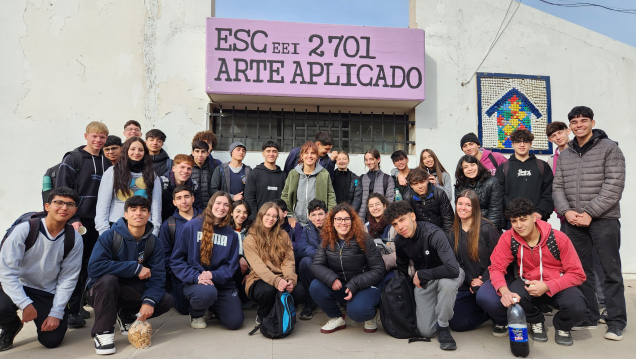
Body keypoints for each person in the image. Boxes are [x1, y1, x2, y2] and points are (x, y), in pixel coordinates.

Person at [553, 106, 626, 340]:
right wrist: (567, 212)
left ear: (592, 123)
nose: (579, 125)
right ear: (570, 126)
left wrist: (590, 213)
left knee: (609, 271)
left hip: (604, 220)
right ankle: (589, 315)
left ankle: (615, 322)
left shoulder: (610, 148)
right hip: (573, 221)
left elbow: (614, 186)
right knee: (580, 271)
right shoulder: (566, 154)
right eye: (574, 121)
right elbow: (558, 187)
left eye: (584, 120)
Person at [476, 198, 588, 346]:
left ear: (534, 217)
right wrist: (504, 292)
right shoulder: (508, 237)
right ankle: (536, 321)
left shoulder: (559, 238)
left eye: (523, 219)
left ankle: (562, 326)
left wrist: (548, 285)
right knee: (515, 296)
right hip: (527, 283)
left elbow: (577, 274)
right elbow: (496, 267)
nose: (519, 225)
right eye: (514, 221)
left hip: (556, 283)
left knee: (578, 306)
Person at [87, 196, 173, 355]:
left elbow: (158, 277)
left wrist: (149, 301)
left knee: (165, 300)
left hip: (129, 290)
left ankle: (127, 317)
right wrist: (134, 268)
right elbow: (94, 268)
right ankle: (103, 332)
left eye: (143, 210)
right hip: (101, 292)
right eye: (133, 209)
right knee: (109, 280)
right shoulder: (109, 236)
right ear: (125, 214)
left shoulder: (154, 243)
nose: (138, 213)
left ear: (149, 215)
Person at [0, 187, 83, 351]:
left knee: (51, 340)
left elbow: (68, 278)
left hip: (45, 290)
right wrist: (25, 304)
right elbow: (6, 272)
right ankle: (11, 327)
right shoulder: (25, 229)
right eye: (58, 202)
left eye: (69, 204)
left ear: (75, 210)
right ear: (47, 206)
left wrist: (56, 313)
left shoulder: (74, 239)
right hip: (19, 283)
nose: (64, 208)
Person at [548, 121, 607, 323]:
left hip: (593, 215)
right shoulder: (551, 160)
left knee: (598, 260)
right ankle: (585, 304)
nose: (558, 137)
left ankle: (604, 301)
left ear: (567, 132)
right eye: (553, 135)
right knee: (575, 262)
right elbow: (556, 188)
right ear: (550, 139)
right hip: (566, 217)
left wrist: (589, 211)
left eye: (560, 132)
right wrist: (563, 211)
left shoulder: (582, 152)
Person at [56, 121, 112, 328]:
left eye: (102, 137)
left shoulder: (108, 163)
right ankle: (70, 310)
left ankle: (82, 305)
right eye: (94, 136)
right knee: (74, 266)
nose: (98, 140)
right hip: (78, 222)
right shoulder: (73, 159)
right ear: (86, 136)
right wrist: (72, 218)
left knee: (92, 265)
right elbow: (63, 190)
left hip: (99, 223)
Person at [384, 201, 462, 351]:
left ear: (412, 216)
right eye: (395, 224)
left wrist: (421, 273)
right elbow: (401, 267)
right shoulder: (400, 239)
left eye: (402, 219)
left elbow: (453, 269)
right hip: (425, 281)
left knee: (448, 285)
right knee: (426, 331)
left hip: (447, 273)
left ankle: (444, 327)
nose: (400, 227)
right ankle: (440, 311)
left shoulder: (433, 233)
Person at [309, 203, 387, 334]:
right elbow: (316, 265)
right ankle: (337, 317)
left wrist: (355, 284)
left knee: (358, 312)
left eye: (346, 219)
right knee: (315, 286)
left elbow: (379, 269)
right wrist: (331, 279)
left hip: (363, 285)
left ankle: (371, 315)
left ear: (352, 220)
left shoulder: (364, 238)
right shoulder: (327, 239)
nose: (342, 223)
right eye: (338, 219)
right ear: (332, 221)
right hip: (342, 285)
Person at [171, 192, 243, 330]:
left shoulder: (231, 235)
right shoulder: (191, 226)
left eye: (226, 205)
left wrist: (213, 275)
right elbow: (177, 260)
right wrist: (196, 276)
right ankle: (197, 313)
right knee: (207, 293)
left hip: (221, 283)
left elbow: (231, 265)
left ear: (230, 209)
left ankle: (211, 306)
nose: (221, 207)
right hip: (195, 282)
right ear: (211, 205)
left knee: (235, 322)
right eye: (218, 203)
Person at [243, 202, 307, 325]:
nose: (271, 219)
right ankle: (262, 314)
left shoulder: (283, 235)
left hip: (281, 276)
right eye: (268, 215)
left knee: (299, 291)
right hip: (259, 278)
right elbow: (259, 267)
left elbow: (288, 261)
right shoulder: (250, 239)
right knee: (268, 290)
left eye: (274, 216)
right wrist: (277, 281)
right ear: (261, 215)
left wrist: (289, 279)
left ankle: (280, 311)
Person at [447, 189, 499, 333]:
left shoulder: (487, 229)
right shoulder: (453, 234)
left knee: (486, 297)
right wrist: (471, 280)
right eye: (460, 203)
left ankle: (499, 315)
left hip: (490, 280)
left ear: (475, 207)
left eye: (468, 205)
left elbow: (498, 260)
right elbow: (457, 263)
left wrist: (482, 280)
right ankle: (486, 313)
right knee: (457, 323)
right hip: (468, 283)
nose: (463, 208)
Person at [96, 137, 162, 236]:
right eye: (132, 149)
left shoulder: (152, 175)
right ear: (126, 150)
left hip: (143, 228)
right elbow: (103, 205)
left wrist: (154, 232)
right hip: (116, 227)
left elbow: (156, 207)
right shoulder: (112, 172)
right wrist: (104, 233)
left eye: (141, 150)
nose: (137, 152)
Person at [495, 129, 553, 230]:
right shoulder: (503, 168)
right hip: (512, 221)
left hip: (537, 219)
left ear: (530, 144)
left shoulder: (542, 166)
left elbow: (549, 192)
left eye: (525, 141)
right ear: (512, 144)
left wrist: (540, 211)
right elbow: (499, 194)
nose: (522, 145)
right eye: (518, 141)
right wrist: (515, 213)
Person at [158, 185, 201, 315]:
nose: (184, 201)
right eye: (179, 198)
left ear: (193, 198)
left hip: (204, 271)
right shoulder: (169, 225)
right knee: (184, 309)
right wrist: (177, 273)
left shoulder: (206, 219)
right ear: (174, 202)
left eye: (187, 197)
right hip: (181, 276)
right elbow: (165, 255)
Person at [282, 141, 336, 227]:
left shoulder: (324, 174)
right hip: (297, 223)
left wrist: (329, 214)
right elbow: (285, 195)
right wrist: (289, 215)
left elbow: (330, 196)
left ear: (317, 156)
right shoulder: (293, 174)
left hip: (318, 223)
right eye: (306, 153)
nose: (309, 156)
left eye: (313, 153)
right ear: (302, 156)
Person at [297, 199, 327, 320]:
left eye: (320, 214)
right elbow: (302, 248)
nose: (317, 218)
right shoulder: (307, 229)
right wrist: (319, 255)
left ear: (326, 214)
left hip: (332, 265)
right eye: (314, 215)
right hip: (316, 263)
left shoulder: (334, 228)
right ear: (309, 217)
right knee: (305, 262)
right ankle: (310, 302)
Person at [454, 155, 503, 229]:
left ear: (478, 165)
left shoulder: (492, 182)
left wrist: (488, 230)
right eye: (465, 167)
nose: (470, 169)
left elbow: (495, 210)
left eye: (472, 165)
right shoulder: (460, 185)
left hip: (488, 227)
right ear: (461, 170)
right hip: (468, 227)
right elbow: (460, 210)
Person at [244, 141, 287, 220]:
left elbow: (286, 198)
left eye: (274, 151)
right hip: (259, 218)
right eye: (268, 151)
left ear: (278, 154)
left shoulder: (283, 176)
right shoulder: (254, 173)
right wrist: (254, 217)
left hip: (277, 219)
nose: (271, 154)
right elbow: (249, 197)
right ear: (263, 154)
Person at [403, 168, 454, 233]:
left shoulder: (439, 193)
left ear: (427, 180)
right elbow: (409, 221)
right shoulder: (408, 198)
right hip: (420, 233)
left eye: (422, 182)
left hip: (440, 231)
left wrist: (446, 238)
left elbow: (448, 218)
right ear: (411, 185)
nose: (420, 186)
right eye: (415, 184)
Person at [353, 149, 395, 221]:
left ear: (378, 159)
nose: (368, 162)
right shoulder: (362, 178)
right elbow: (357, 198)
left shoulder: (387, 179)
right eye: (366, 160)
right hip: (364, 218)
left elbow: (390, 200)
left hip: (381, 219)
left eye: (371, 159)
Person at [160, 154, 202, 222]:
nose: (185, 171)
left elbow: (197, 208)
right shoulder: (161, 183)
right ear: (173, 169)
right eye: (182, 167)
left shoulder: (194, 186)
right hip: (164, 225)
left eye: (189, 168)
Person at [229, 200, 253, 308]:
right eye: (238, 211)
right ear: (231, 212)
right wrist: (239, 257)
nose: (241, 215)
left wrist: (250, 272)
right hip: (231, 270)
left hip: (249, 269)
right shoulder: (225, 229)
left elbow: (256, 253)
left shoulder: (252, 230)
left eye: (245, 212)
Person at [272, 199, 303, 266]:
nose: (273, 214)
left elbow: (300, 246)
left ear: (285, 213)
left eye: (276, 211)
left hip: (291, 264)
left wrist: (280, 244)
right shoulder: (268, 227)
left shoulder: (295, 226)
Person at [191, 140, 216, 209]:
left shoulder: (212, 168)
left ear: (208, 153)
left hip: (208, 209)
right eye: (197, 151)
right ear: (192, 153)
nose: (200, 155)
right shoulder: (187, 168)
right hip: (191, 209)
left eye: (203, 151)